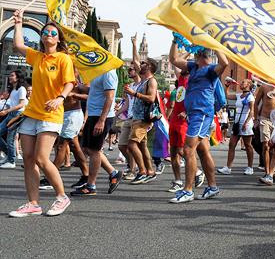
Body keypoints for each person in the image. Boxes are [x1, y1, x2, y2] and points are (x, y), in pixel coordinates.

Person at [8, 10, 75, 217]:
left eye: (53, 33)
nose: (48, 35)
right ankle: (33, 203)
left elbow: (70, 83)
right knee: (28, 158)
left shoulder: (63, 58)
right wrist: (18, 23)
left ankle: (62, 197)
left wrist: (60, 98)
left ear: (58, 38)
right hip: (32, 113)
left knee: (41, 158)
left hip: (50, 114)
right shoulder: (37, 57)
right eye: (45, 32)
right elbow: (19, 46)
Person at [168, 42, 228, 203]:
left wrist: (216, 44)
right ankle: (212, 186)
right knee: (202, 151)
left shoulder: (211, 69)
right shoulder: (194, 67)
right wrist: (175, 40)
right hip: (194, 114)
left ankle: (187, 191)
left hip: (201, 114)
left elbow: (225, 63)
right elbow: (173, 59)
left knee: (187, 150)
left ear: (199, 55)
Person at [70, 69, 122, 196]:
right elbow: (94, 91)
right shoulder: (97, 72)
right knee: (88, 149)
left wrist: (101, 120)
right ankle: (113, 173)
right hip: (93, 114)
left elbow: (110, 97)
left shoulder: (108, 72)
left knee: (94, 151)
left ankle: (91, 186)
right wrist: (78, 86)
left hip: (100, 116)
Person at [123, 37, 158, 185]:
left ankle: (142, 171)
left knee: (131, 144)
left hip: (143, 118)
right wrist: (134, 44)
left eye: (144, 63)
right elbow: (136, 60)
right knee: (142, 146)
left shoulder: (151, 81)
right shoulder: (143, 79)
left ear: (149, 66)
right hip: (137, 117)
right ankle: (150, 171)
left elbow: (150, 98)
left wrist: (134, 94)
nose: (139, 65)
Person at [218, 79, 255, 175]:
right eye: (242, 82)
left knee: (247, 145)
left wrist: (246, 123)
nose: (241, 83)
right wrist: (227, 87)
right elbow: (227, 96)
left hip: (245, 123)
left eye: (243, 82)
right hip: (237, 122)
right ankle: (228, 167)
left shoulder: (250, 97)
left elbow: (252, 111)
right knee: (232, 144)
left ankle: (250, 167)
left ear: (248, 85)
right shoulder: (239, 95)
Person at [0, 70, 28, 169]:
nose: (10, 77)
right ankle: (9, 156)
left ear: (17, 77)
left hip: (17, 115)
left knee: (10, 138)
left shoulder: (21, 89)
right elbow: (13, 103)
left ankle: (11, 161)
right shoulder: (13, 89)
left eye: (12, 75)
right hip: (11, 114)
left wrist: (7, 111)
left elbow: (22, 104)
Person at [166, 71, 189, 192]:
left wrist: (187, 112)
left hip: (184, 121)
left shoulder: (193, 82)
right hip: (175, 119)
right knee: (173, 152)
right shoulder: (180, 80)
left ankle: (197, 172)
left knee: (182, 150)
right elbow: (174, 60)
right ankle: (178, 181)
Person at [255, 83, 275, 185]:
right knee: (266, 145)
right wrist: (256, 118)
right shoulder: (264, 87)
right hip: (265, 119)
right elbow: (256, 103)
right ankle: (267, 173)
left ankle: (272, 171)